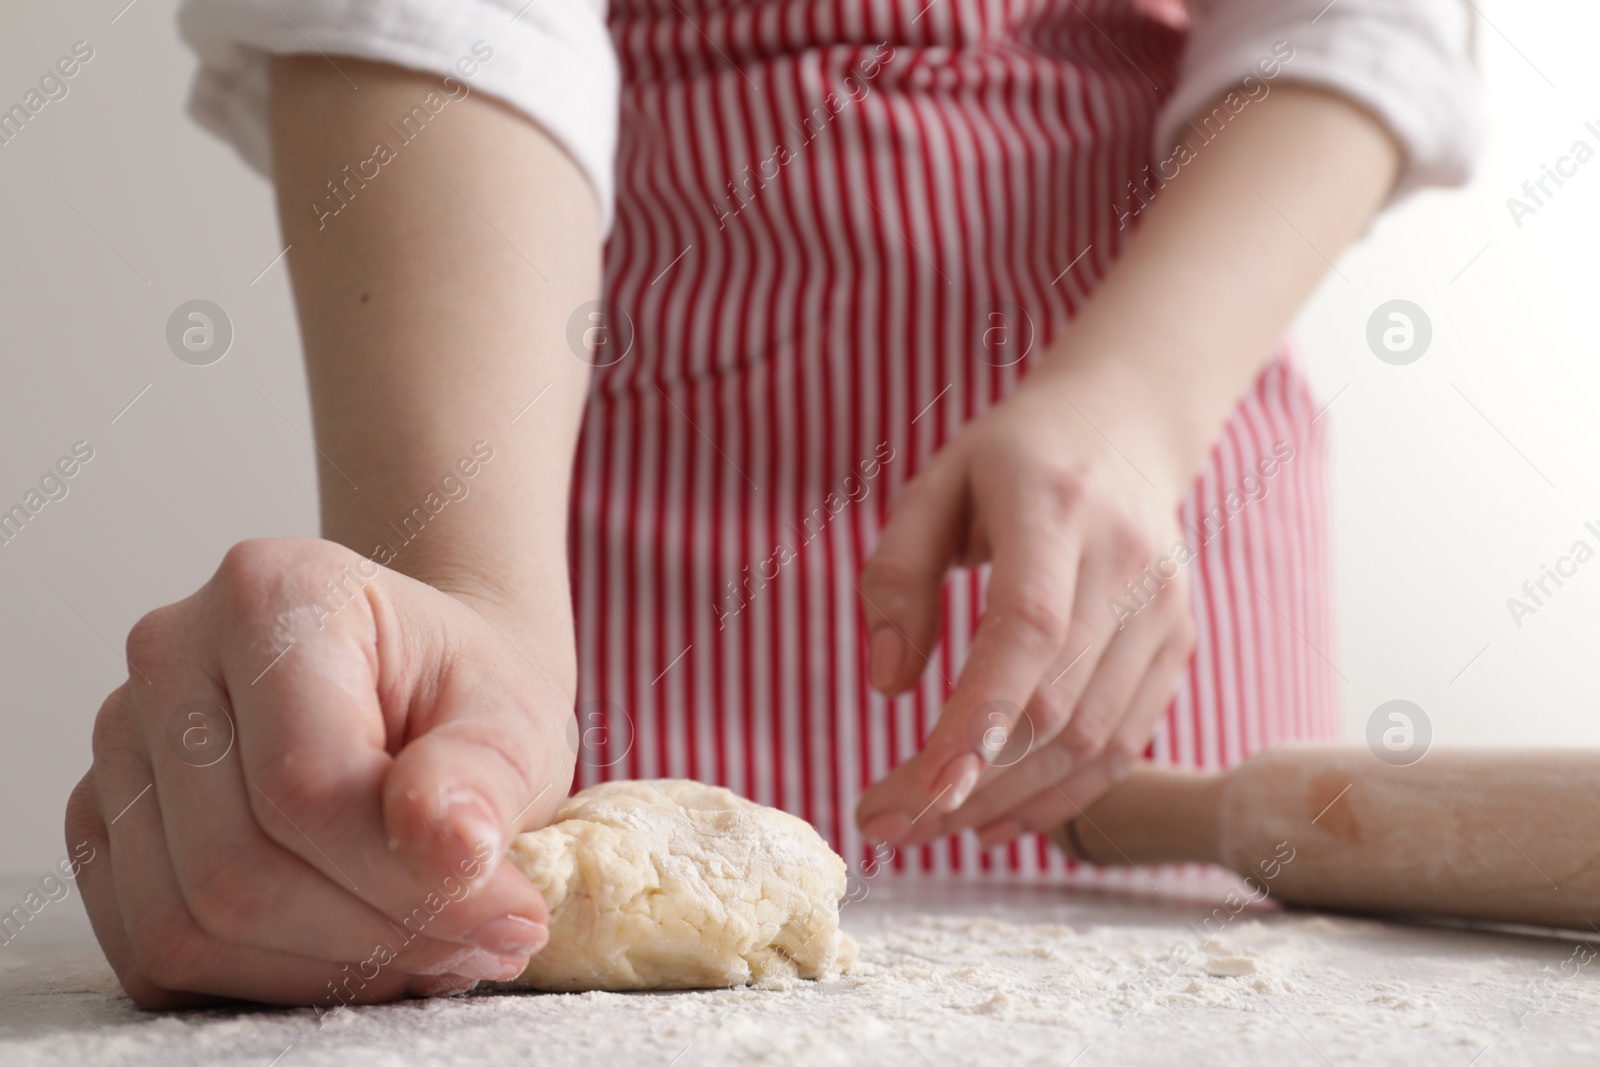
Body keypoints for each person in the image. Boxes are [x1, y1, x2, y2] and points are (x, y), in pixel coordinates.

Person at [66, 0, 1480, 1008]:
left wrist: (1138, 407)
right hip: (579, 490)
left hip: (1143, 481)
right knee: (501, 942)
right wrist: (470, 583)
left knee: (1210, 1007)